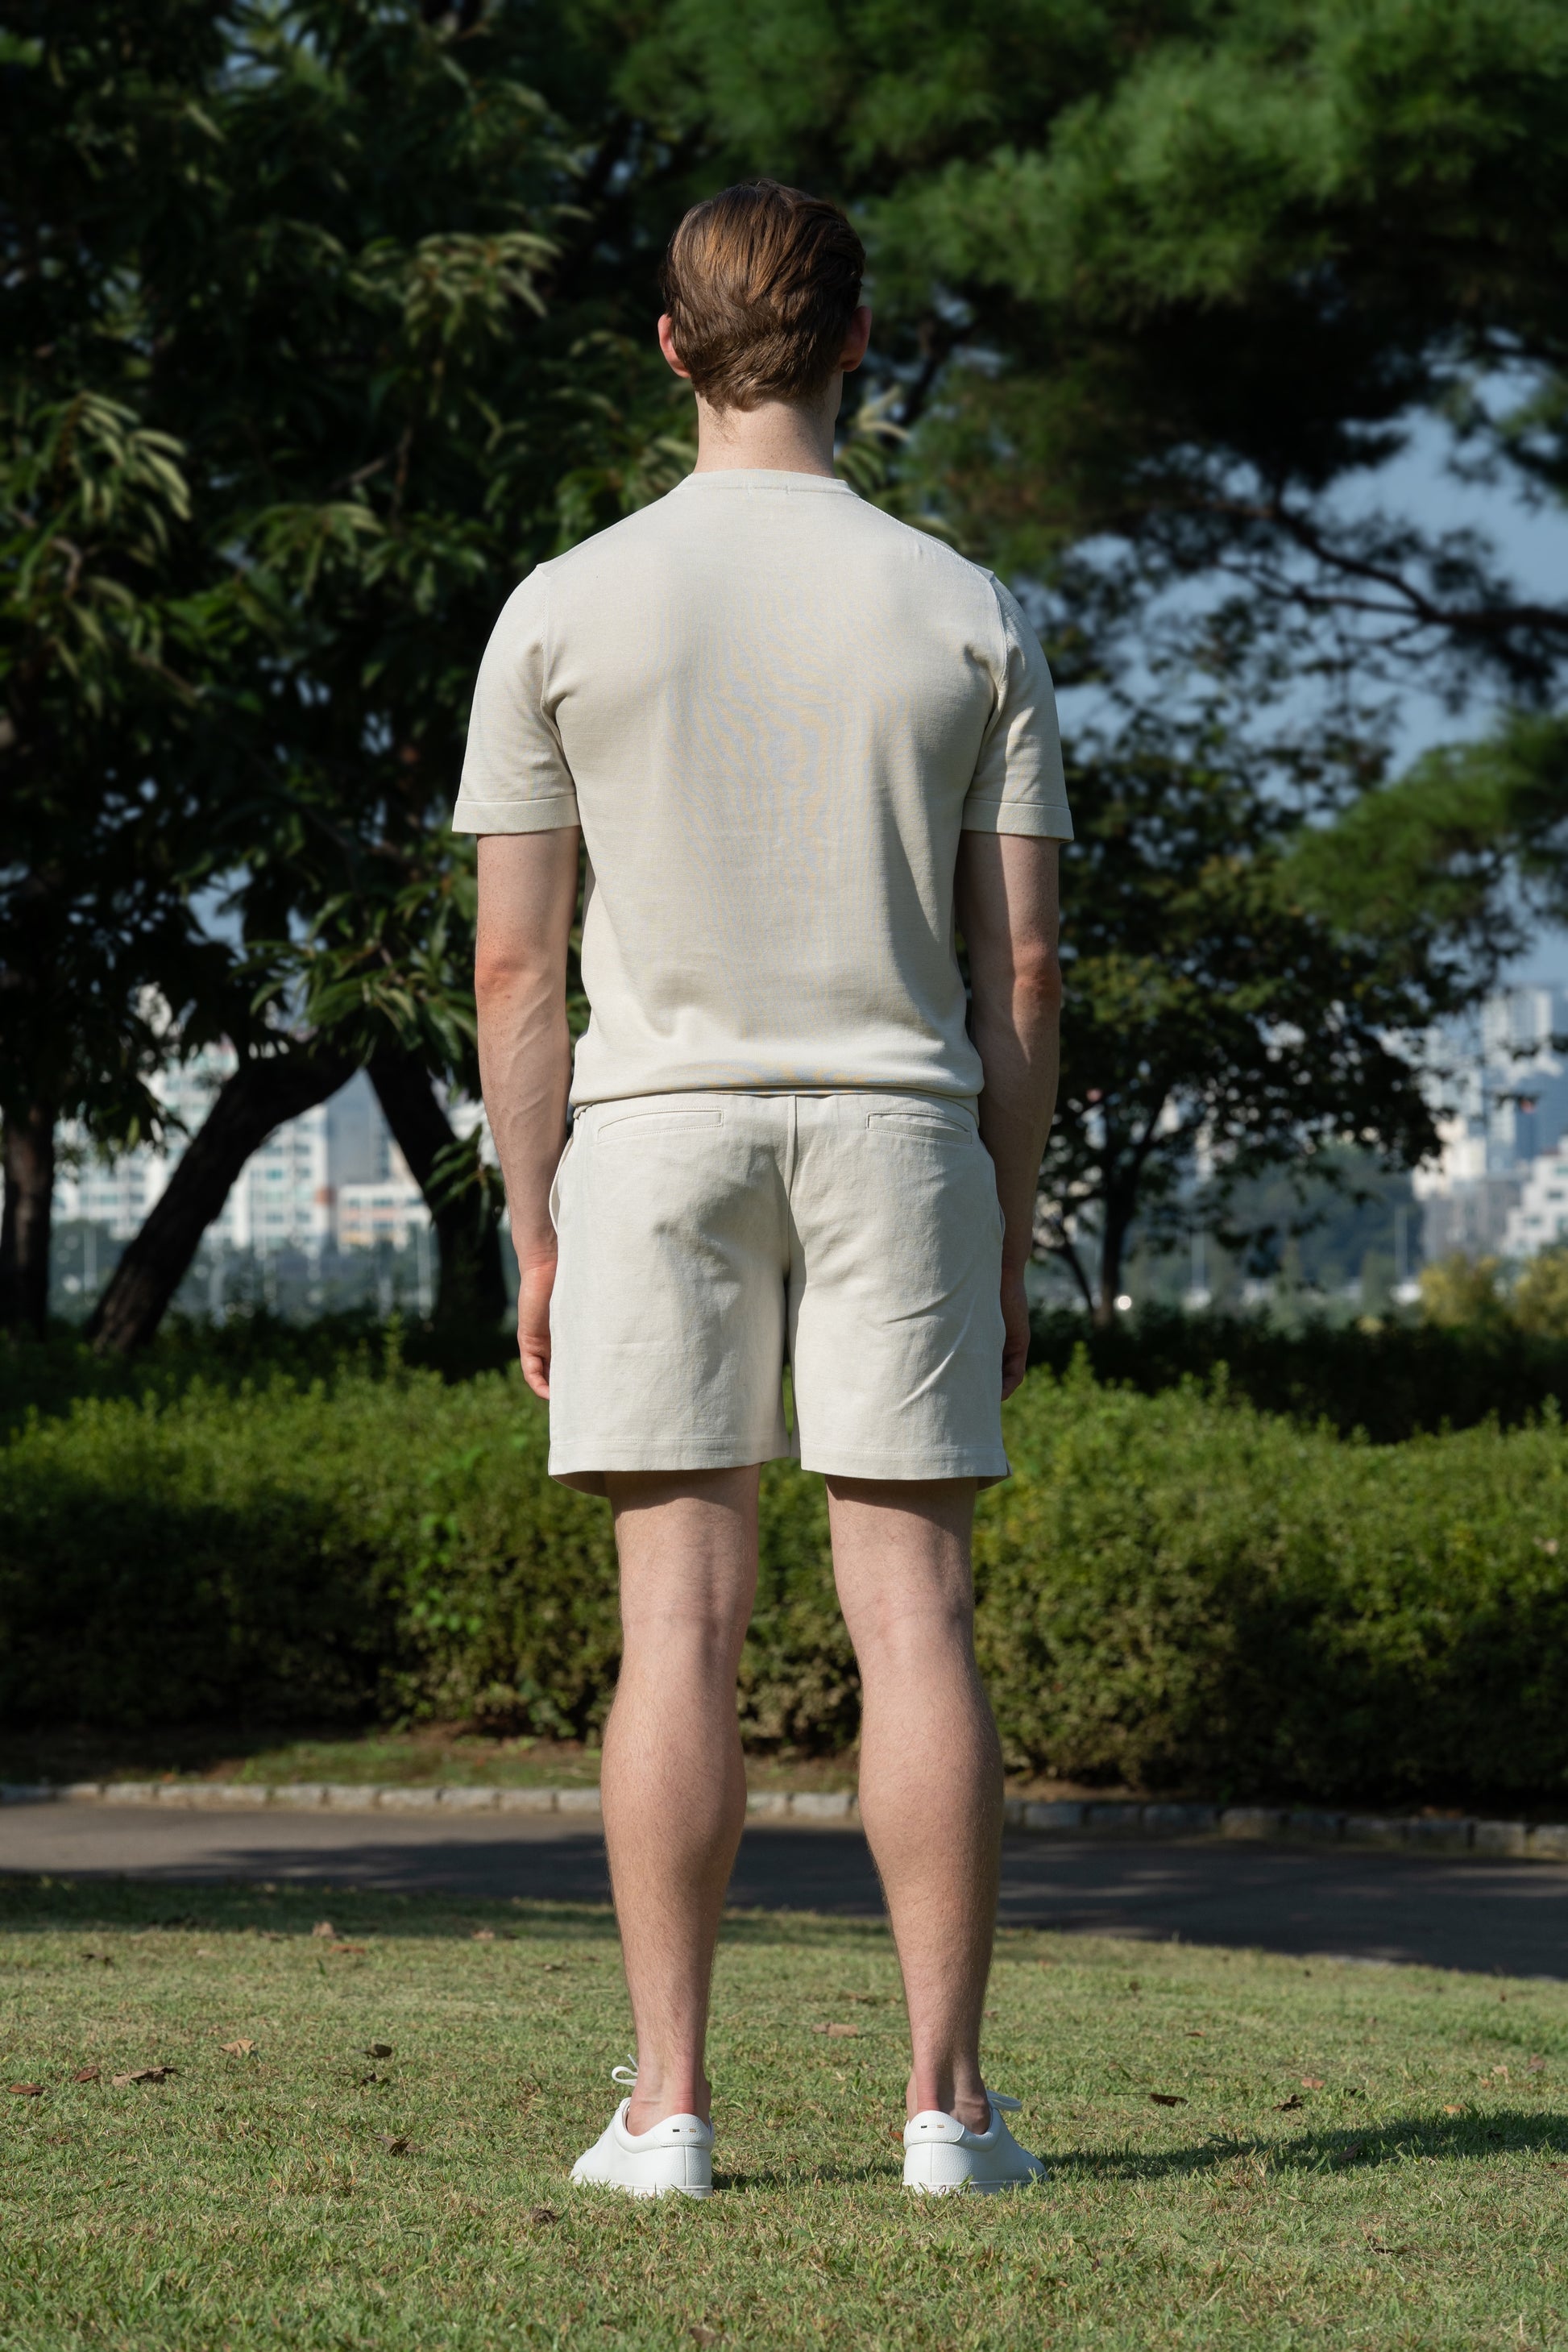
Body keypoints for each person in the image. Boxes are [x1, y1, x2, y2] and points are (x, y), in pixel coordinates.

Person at [458, 179, 1068, 2200]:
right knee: (917, 1617)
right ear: (859, 344)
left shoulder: (564, 605)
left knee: (678, 1627)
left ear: (669, 347)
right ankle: (947, 2110)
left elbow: (517, 967)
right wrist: (1009, 1219)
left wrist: (535, 1224)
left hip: (655, 1131)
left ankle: (667, 2109)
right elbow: (1023, 970)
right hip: (898, 1125)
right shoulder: (966, 606)